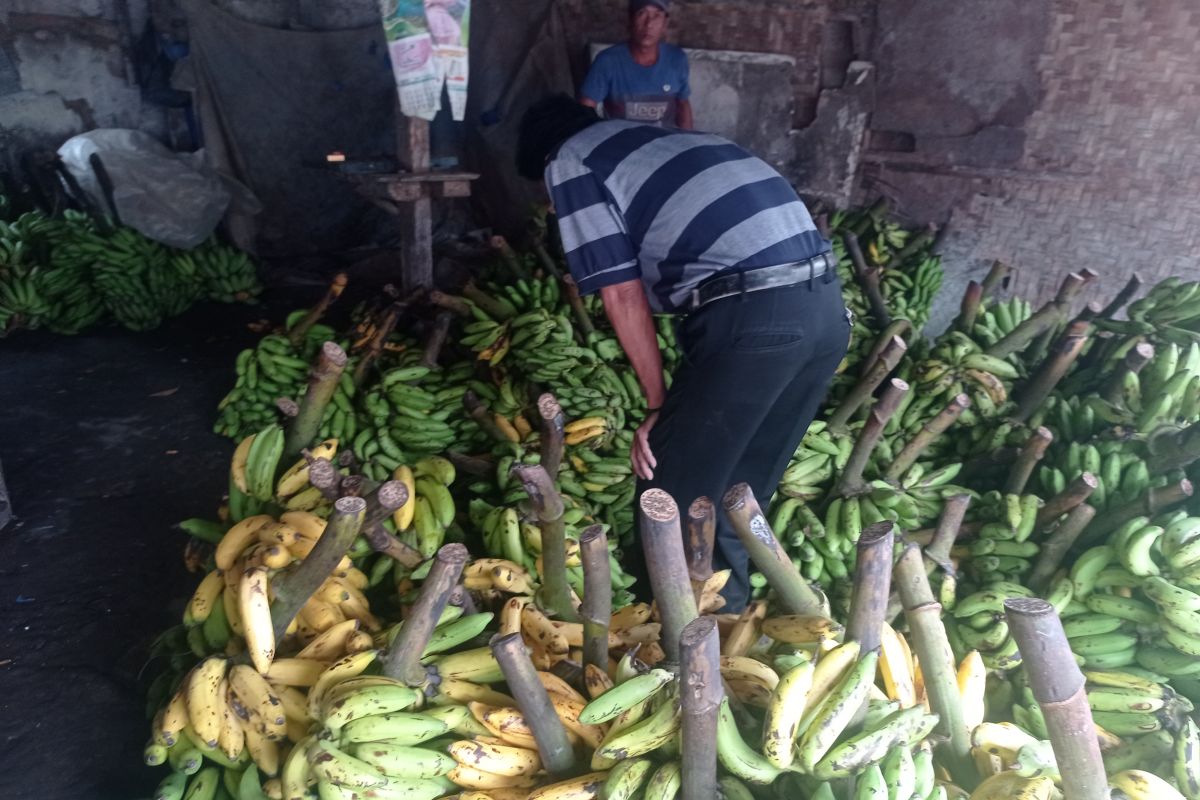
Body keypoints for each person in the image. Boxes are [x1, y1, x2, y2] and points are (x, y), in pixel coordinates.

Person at [515, 95, 850, 611]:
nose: (554, 211)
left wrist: (657, 407)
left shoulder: (569, 160)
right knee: (741, 493)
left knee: (668, 493)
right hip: (826, 310)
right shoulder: (672, 141)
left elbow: (621, 293)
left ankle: (670, 650)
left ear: (542, 161)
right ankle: (731, 627)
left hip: (756, 317)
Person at [579, 0, 693, 129]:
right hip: (622, 145)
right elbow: (585, 110)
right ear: (630, 19)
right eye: (641, 13)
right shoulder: (607, 61)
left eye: (656, 15)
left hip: (663, 144)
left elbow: (683, 106)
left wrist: (689, 142)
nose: (649, 24)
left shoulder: (677, 59)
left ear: (665, 23)